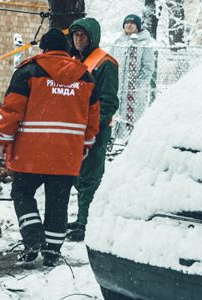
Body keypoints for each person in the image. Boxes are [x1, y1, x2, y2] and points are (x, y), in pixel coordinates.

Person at [0, 28, 100, 267]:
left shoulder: (29, 71)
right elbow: (93, 119)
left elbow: (12, 110)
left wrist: (3, 140)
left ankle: (32, 239)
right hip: (66, 154)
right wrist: (86, 144)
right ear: (66, 50)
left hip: (31, 152)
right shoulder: (85, 78)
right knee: (58, 202)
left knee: (22, 193)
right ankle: (52, 252)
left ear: (43, 48)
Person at [66, 18, 120, 242]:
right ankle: (82, 218)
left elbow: (108, 103)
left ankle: (86, 222)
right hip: (75, 129)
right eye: (75, 35)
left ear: (92, 38)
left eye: (83, 35)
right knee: (77, 178)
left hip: (94, 131)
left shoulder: (105, 64)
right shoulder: (73, 60)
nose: (78, 39)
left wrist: (91, 130)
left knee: (90, 178)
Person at [109, 14, 159, 143]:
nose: (129, 25)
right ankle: (114, 141)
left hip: (135, 91)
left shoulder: (145, 43)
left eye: (132, 23)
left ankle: (132, 142)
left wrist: (138, 84)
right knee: (115, 115)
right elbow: (110, 62)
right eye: (127, 22)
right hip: (118, 87)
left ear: (138, 26)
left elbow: (148, 67)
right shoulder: (118, 42)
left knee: (133, 117)